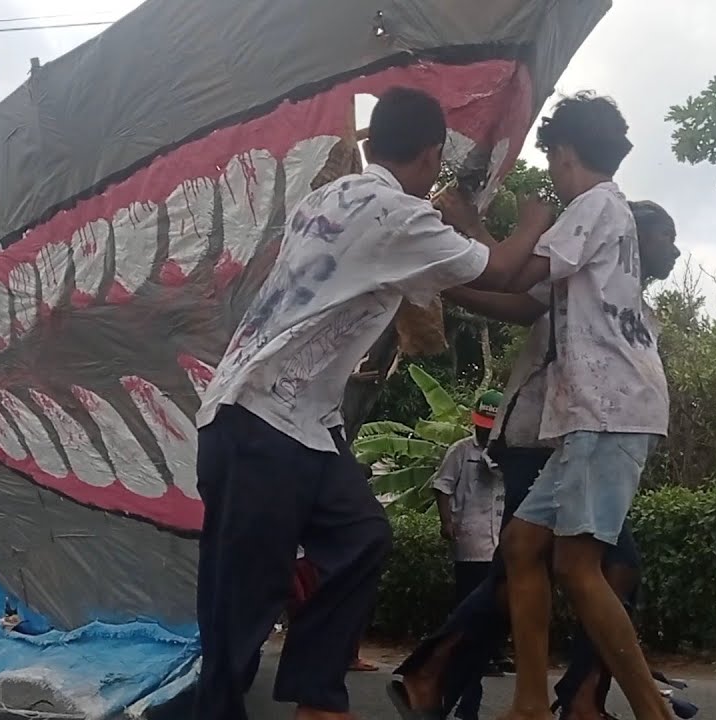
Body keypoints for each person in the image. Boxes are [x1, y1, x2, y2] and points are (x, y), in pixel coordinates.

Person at [191, 86, 557, 720]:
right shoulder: (398, 217)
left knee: (362, 537)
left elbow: (456, 286)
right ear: (433, 152)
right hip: (258, 420)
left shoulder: (329, 198)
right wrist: (533, 223)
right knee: (239, 608)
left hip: (300, 423)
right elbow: (499, 273)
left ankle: (318, 698)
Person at [389, 199, 681, 720]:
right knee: (574, 568)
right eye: (666, 236)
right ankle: (568, 698)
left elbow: (519, 294)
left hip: (567, 437)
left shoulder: (618, 294)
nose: (675, 249)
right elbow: (521, 294)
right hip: (535, 436)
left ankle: (531, 695)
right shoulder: (586, 279)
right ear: (632, 238)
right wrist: (452, 265)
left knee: (534, 561)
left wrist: (448, 281)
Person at [491, 91, 669, 720]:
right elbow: (523, 294)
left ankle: (654, 712)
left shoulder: (591, 206)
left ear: (563, 155)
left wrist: (527, 222)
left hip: (608, 408)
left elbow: (513, 274)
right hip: (600, 410)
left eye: (551, 163)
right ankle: (530, 705)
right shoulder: (607, 212)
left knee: (578, 566)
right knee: (522, 547)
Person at [431, 390, 507, 718]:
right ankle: (453, 689)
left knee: (492, 623)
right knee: (467, 622)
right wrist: (447, 521)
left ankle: (473, 681)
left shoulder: (510, 453)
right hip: (471, 546)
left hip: (502, 548)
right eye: (481, 425)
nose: (484, 431)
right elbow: (442, 486)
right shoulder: (460, 451)